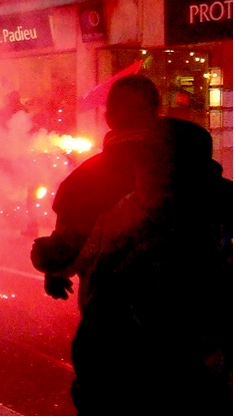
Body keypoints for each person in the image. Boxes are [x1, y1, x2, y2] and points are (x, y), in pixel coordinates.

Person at [70, 116, 233, 415]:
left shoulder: (138, 239)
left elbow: (99, 337)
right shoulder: (223, 214)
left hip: (145, 393)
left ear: (154, 169)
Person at [30, 74, 161, 310]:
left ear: (108, 118)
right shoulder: (193, 170)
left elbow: (66, 252)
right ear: (156, 112)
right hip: (195, 326)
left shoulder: (85, 179)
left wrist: (48, 262)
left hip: (114, 314)